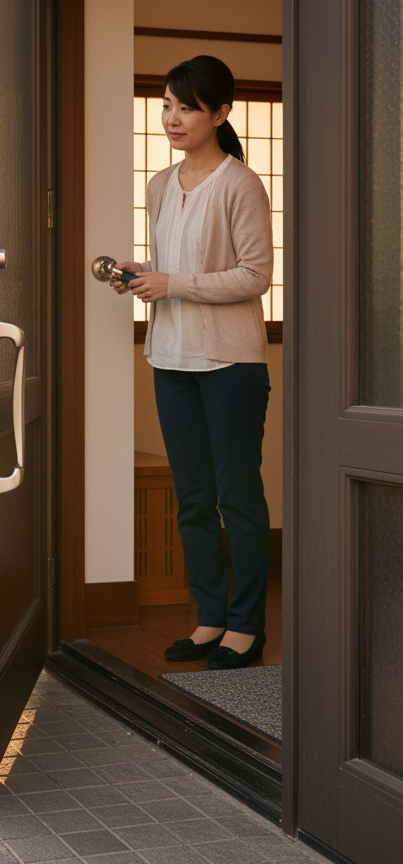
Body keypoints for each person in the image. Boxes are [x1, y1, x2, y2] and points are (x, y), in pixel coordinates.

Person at [111, 55, 274, 670]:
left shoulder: (240, 183)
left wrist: (173, 282)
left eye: (187, 107)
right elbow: (172, 271)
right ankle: (209, 620)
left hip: (230, 363)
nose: (173, 118)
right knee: (194, 498)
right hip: (171, 358)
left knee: (238, 497)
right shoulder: (159, 184)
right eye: (167, 106)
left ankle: (246, 626)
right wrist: (139, 279)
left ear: (221, 113)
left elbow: (256, 276)